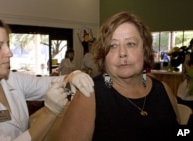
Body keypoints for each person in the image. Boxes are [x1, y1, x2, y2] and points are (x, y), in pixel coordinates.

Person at [0, 17, 94, 141]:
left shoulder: (13, 80)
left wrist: (74, 76)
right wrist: (50, 112)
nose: (9, 53)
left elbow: (49, 83)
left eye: (8, 45)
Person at [58, 11, 180, 141]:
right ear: (103, 55)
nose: (122, 53)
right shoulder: (89, 96)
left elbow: (180, 133)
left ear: (145, 50)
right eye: (113, 46)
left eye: (130, 44)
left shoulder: (164, 90)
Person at [177, 38, 193, 109]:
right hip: (182, 94)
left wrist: (186, 63)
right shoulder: (190, 60)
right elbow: (184, 77)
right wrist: (184, 63)